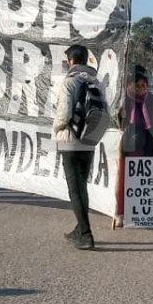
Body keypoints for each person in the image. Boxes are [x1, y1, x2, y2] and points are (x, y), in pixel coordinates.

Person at [52, 44, 103, 250]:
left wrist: (56, 128)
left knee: (74, 190)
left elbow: (64, 113)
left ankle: (85, 234)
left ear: (71, 61)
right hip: (88, 141)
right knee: (82, 186)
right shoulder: (96, 81)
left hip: (70, 140)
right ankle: (79, 228)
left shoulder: (70, 81)